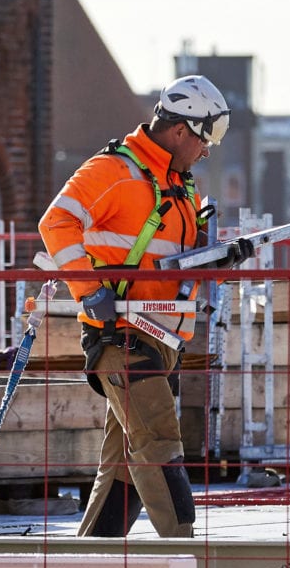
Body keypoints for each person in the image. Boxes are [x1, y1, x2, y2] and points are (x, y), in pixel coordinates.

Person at [39, 75, 236, 537]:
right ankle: (188, 562)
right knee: (160, 446)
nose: (207, 150)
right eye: (206, 138)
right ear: (181, 130)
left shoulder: (180, 185)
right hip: (124, 339)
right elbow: (56, 222)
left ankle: (91, 567)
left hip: (163, 340)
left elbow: (172, 263)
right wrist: (89, 291)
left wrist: (218, 254)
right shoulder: (113, 171)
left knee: (125, 467)